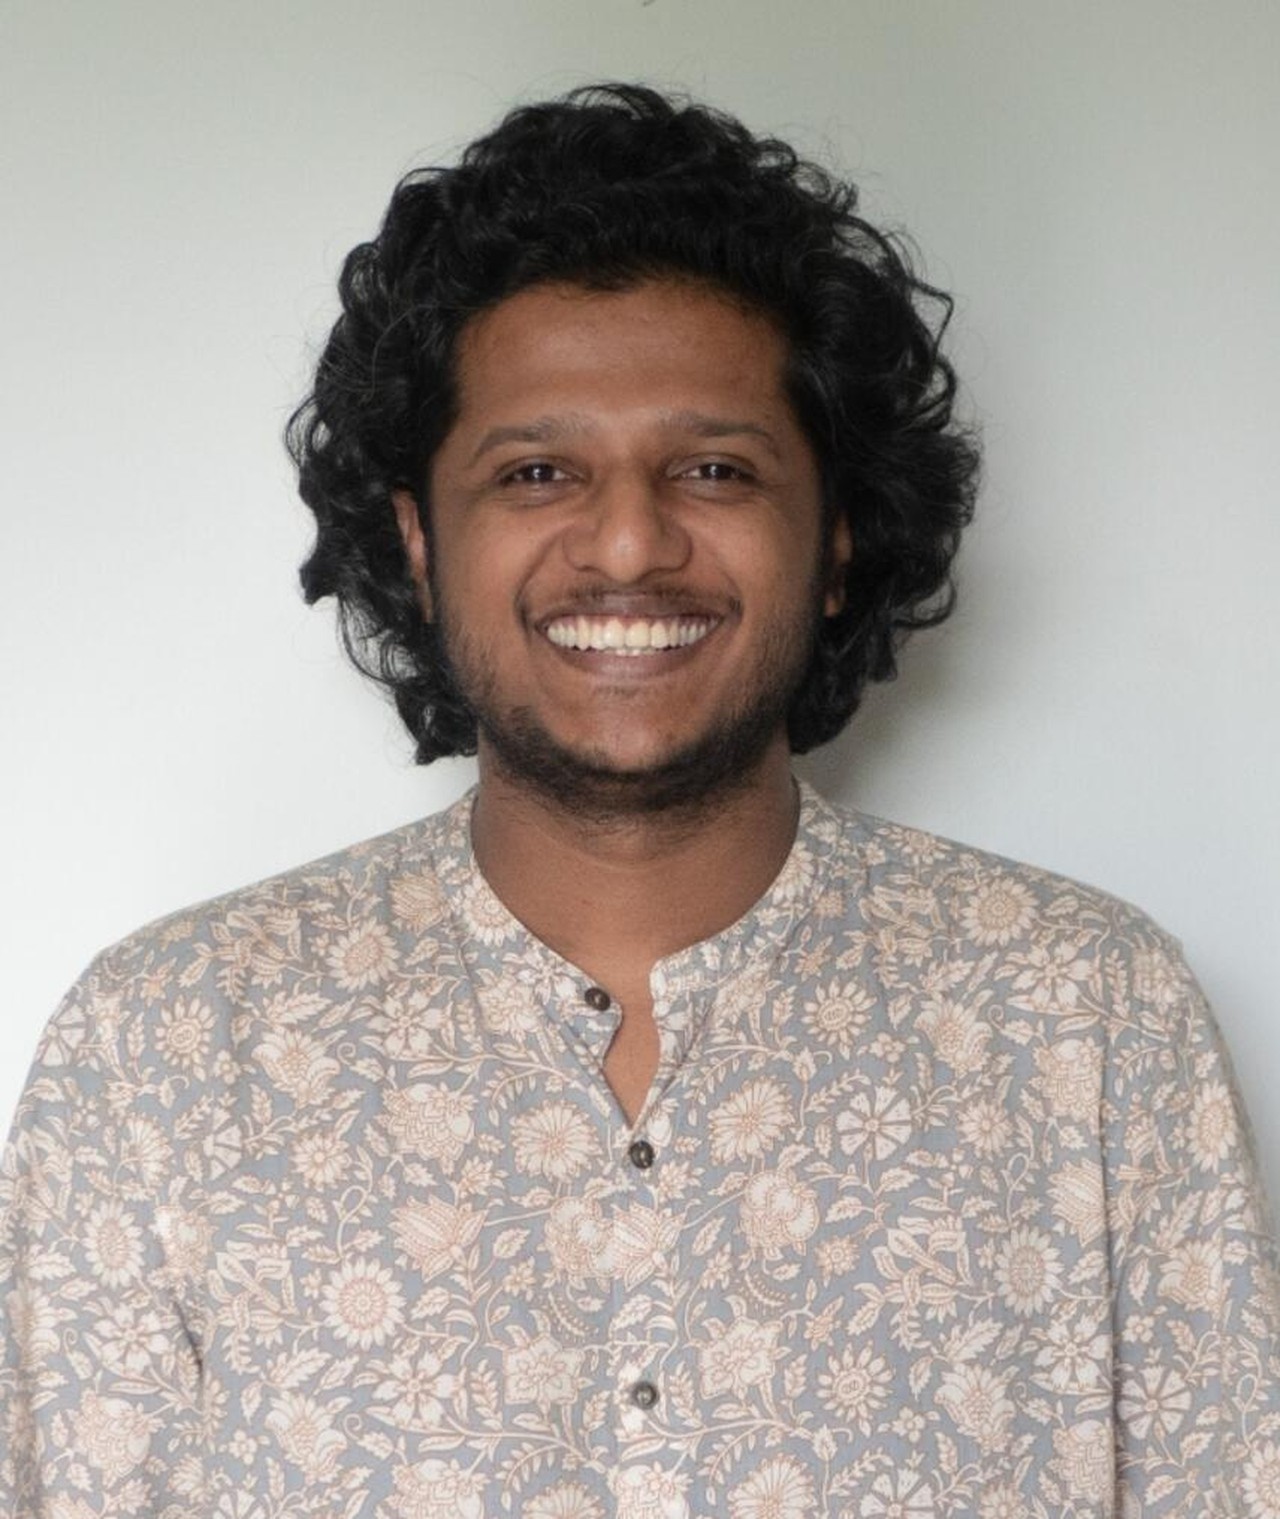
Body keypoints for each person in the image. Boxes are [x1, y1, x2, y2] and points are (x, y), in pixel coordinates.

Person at [1, 83, 1276, 1519]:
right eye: (537, 471)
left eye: (714, 468)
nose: (626, 544)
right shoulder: (163, 1055)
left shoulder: (1090, 1021)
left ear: (837, 539)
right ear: (418, 541)